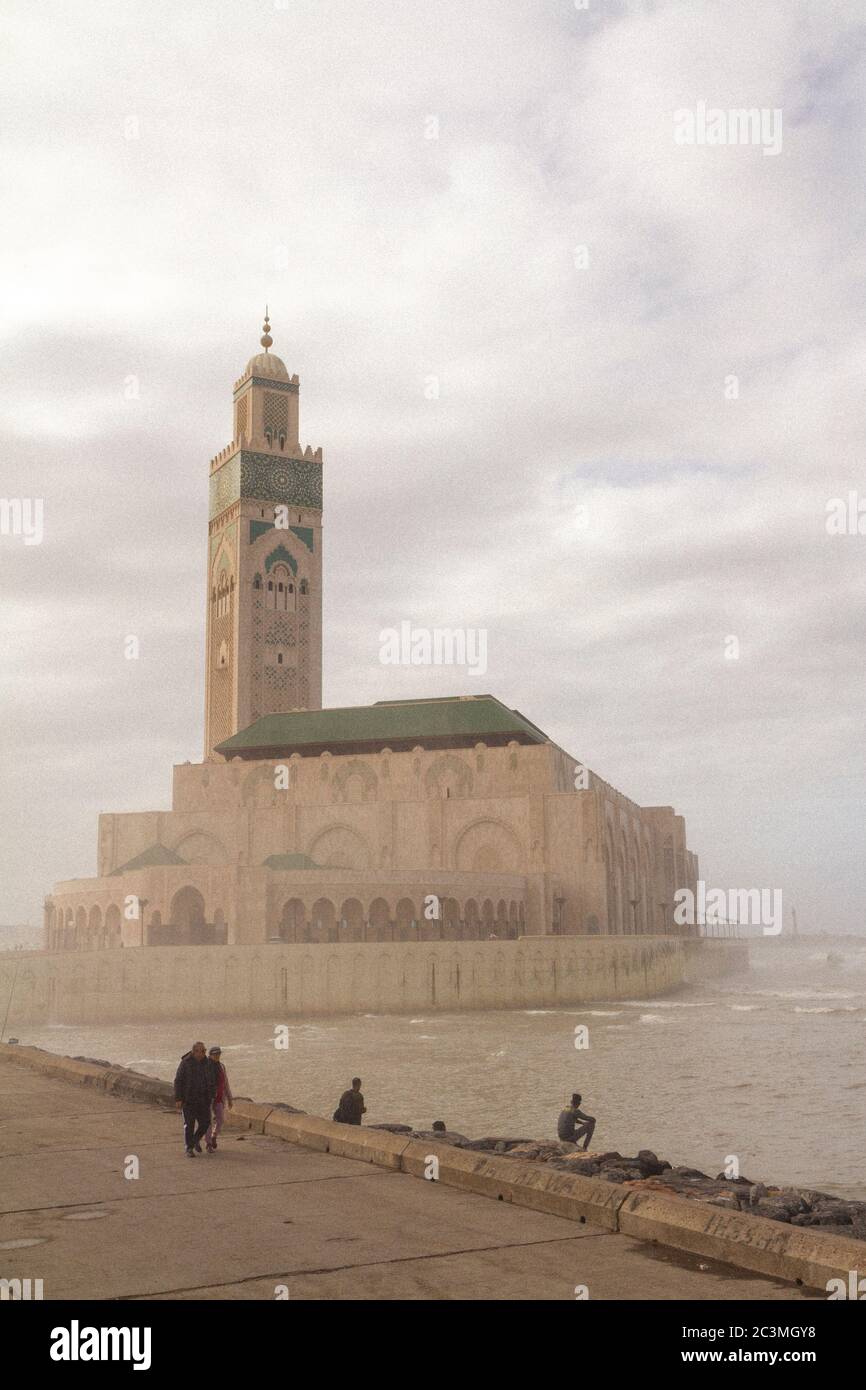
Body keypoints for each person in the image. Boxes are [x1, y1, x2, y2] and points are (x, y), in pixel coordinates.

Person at [174, 1041, 217, 1157]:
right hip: (189, 1100)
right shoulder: (185, 1063)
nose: (204, 1053)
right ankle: (189, 1148)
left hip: (203, 1100)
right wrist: (178, 1098)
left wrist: (212, 1095)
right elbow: (178, 1081)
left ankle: (194, 1140)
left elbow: (212, 1080)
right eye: (202, 1051)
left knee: (205, 1123)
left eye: (204, 1051)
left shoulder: (207, 1063)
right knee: (189, 1124)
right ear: (194, 1052)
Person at [205, 1045, 233, 1152]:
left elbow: (225, 1083)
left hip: (219, 1098)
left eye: (219, 1054)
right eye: (215, 1054)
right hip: (208, 1098)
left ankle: (214, 1136)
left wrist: (230, 1098)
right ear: (210, 1055)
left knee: (220, 1119)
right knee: (208, 1122)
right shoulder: (206, 1066)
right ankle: (208, 1144)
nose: (217, 1056)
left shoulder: (221, 1066)